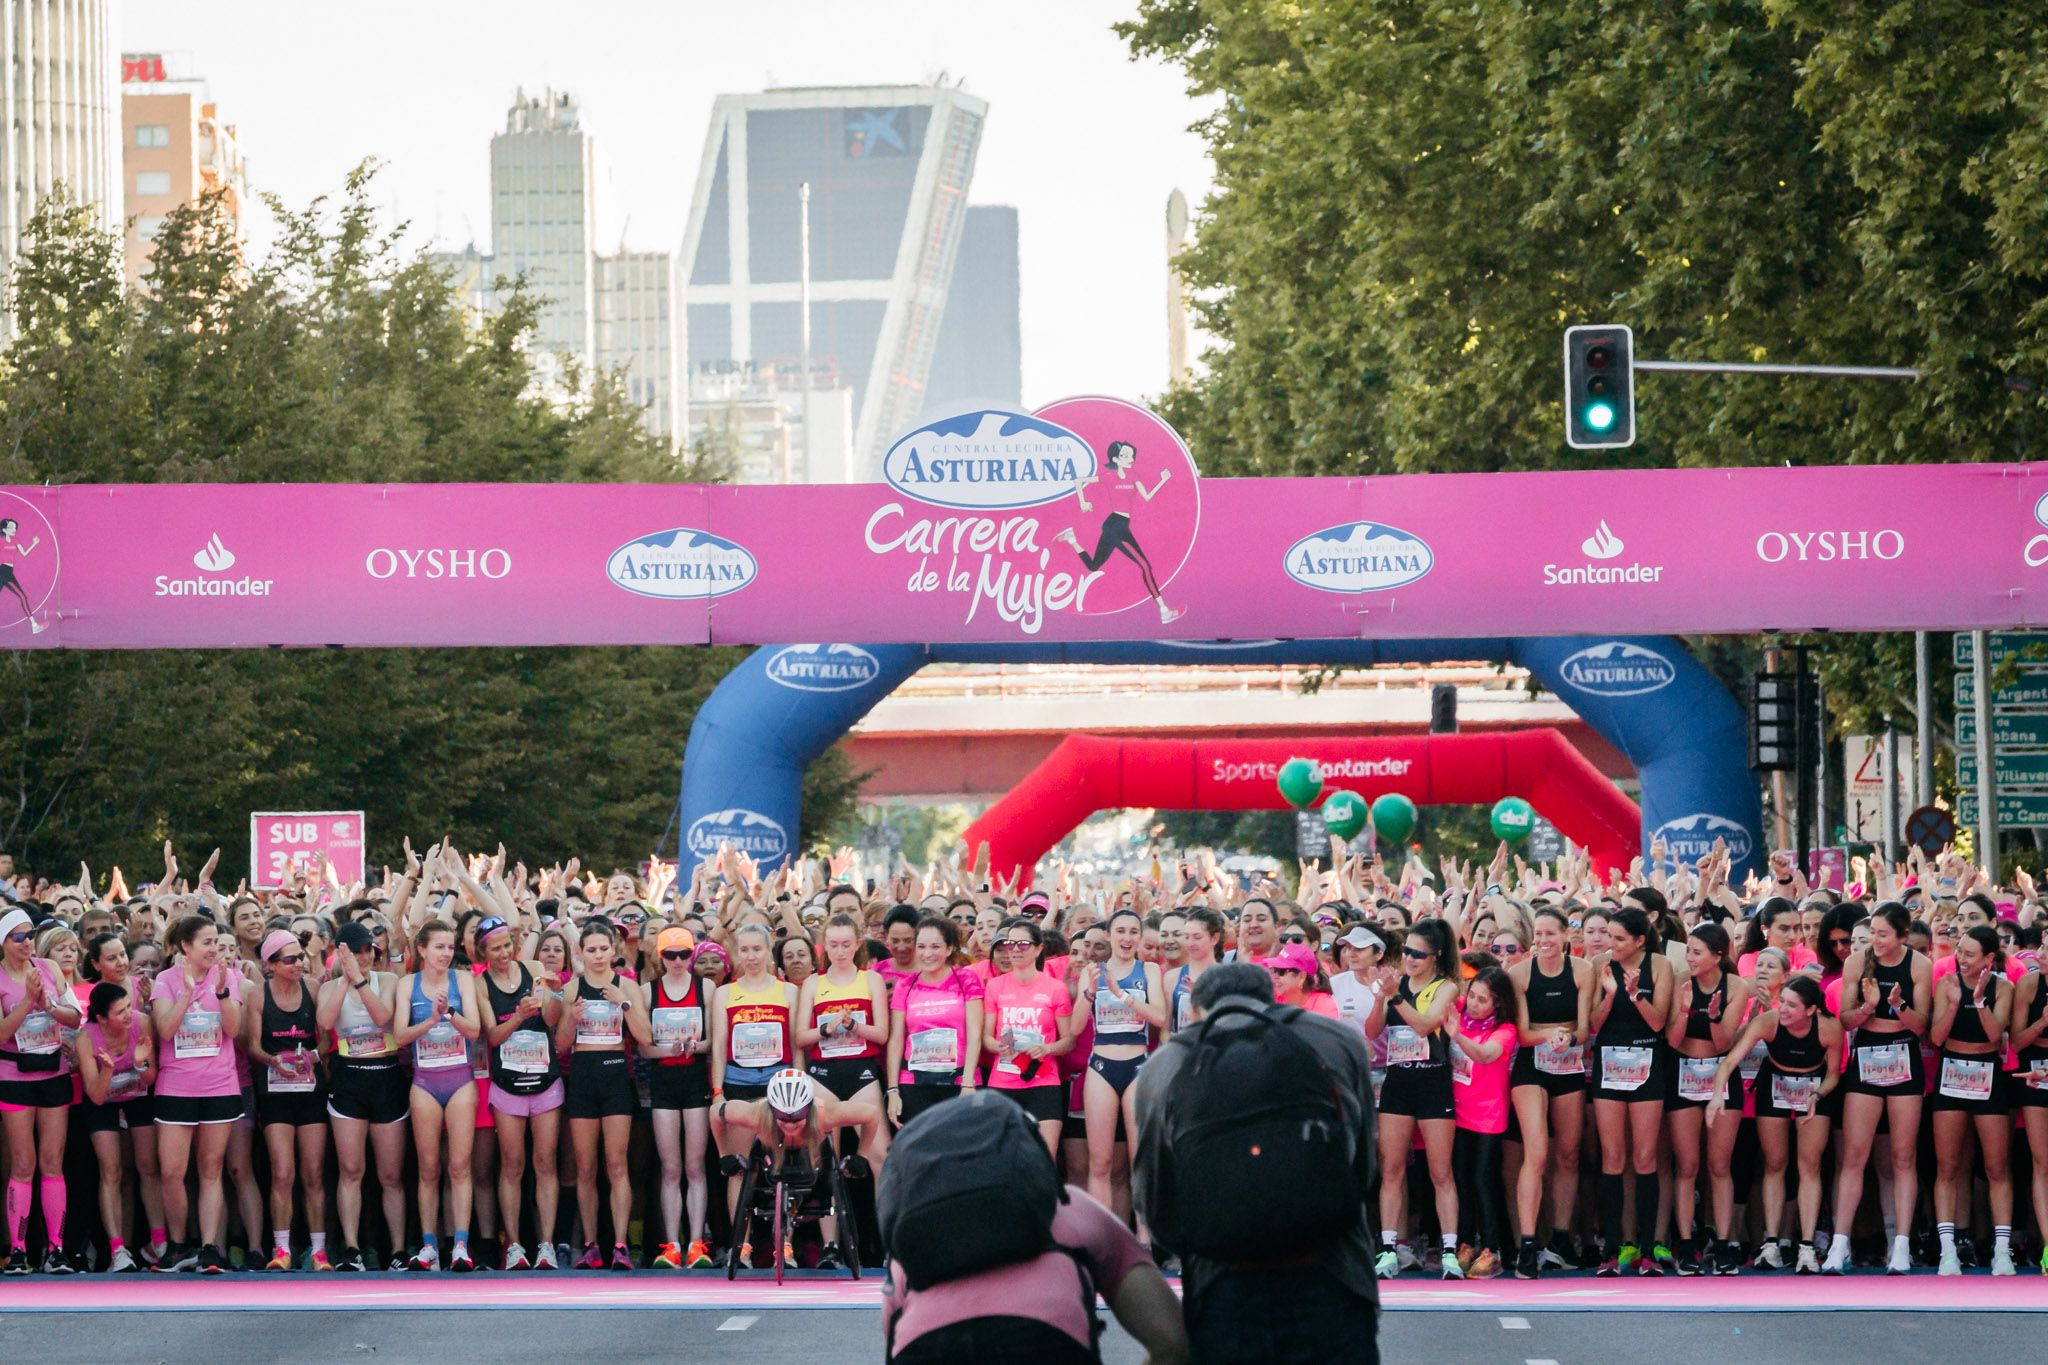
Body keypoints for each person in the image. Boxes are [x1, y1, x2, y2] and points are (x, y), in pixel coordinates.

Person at [1135, 963, 1377, 1364]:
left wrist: (1208, 1239)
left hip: (1223, 1280)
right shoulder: (1334, 1041)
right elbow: (1363, 1166)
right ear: (1271, 995)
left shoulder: (1168, 1064)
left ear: (1197, 1010)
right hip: (1332, 1269)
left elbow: (1155, 1195)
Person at [880, 1091, 1187, 1365]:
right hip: (1044, 1342)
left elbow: (891, 1338)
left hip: (924, 1348)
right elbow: (1173, 1342)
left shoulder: (917, 1231)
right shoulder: (1073, 1208)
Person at [1706, 975, 1841, 1273]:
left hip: (1813, 1087)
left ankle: (1805, 1245)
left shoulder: (1829, 1027)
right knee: (1775, 1162)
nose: (1784, 1010)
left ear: (1811, 1010)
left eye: (1792, 1006)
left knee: (1809, 1165)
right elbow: (1730, 1061)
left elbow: (1833, 1073)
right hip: (1775, 1084)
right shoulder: (1768, 1022)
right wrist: (1717, 1095)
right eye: (1783, 1003)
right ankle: (1771, 1242)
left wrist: (1818, 1094)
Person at [1827, 901, 1929, 1276]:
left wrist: (1899, 1007)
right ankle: (1839, 1244)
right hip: (1867, 1057)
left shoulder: (1918, 965)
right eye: (1873, 934)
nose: (1877, 941)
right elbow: (1845, 1018)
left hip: (1904, 1057)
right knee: (1854, 1156)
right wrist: (1869, 1008)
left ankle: (1900, 1244)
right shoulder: (1858, 962)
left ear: (1903, 936)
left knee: (1903, 1156)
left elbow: (1922, 1026)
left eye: (1885, 935)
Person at [149, 913, 247, 1275]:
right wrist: (188, 991)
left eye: (218, 943)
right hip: (177, 1086)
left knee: (211, 1167)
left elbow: (233, 1030)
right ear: (185, 946)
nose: (214, 949)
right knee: (172, 1171)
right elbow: (164, 1029)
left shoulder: (230, 978)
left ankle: (209, 1246)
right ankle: (177, 1246)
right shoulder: (165, 980)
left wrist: (221, 991)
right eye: (207, 942)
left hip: (219, 1084)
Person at [1364, 917, 1461, 1279]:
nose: (1409, 959)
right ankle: (1389, 1247)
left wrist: (1396, 996)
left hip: (1432, 1082)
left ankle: (1449, 1249)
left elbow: (1425, 1024)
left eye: (1418, 954)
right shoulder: (1395, 985)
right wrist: (1379, 999)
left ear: (1435, 956)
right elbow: (1373, 1031)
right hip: (1399, 1081)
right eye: (1406, 951)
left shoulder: (1445, 987)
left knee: (1440, 1171)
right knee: (1391, 1168)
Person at [556, 919, 651, 1272]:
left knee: (617, 1163)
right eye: (591, 950)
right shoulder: (572, 988)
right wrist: (572, 1017)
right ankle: (593, 1244)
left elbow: (645, 1037)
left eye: (603, 949)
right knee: (585, 1166)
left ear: (615, 951)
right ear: (580, 953)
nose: (598, 956)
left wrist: (624, 1004)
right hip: (583, 1075)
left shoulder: (627, 986)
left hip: (615, 1075)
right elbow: (562, 1045)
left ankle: (621, 1243)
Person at [1504, 906, 1592, 1277]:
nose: (1542, 941)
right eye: (1537, 935)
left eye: (1549, 934)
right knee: (1537, 1154)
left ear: (1565, 937)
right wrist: (1553, 1032)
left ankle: (1558, 1237)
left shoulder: (1583, 971)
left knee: (1569, 1155)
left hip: (1569, 1064)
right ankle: (1527, 1243)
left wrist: (1566, 1035)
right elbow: (1523, 1033)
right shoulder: (1519, 973)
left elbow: (1584, 1030)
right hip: (1531, 1067)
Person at [392, 919, 484, 1272]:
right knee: (428, 1168)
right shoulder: (407, 985)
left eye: (450, 947)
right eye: (439, 947)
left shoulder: (463, 980)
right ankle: (429, 1245)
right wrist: (431, 1021)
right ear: (422, 950)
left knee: (460, 1166)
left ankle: (460, 1243)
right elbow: (400, 1036)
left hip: (460, 1080)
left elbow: (474, 1031)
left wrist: (450, 1013)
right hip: (425, 1083)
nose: (446, 953)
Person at [317, 920, 407, 1273]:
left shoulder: (389, 981)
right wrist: (345, 979)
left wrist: (360, 979)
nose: (364, 957)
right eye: (355, 952)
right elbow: (325, 1022)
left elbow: (384, 1018)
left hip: (385, 1076)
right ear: (341, 954)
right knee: (351, 1169)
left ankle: (398, 1249)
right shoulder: (330, 987)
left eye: (368, 950)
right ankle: (351, 1247)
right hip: (348, 1078)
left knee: (390, 1175)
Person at [476, 913, 565, 1271]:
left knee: (545, 1163)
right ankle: (513, 1244)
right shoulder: (482, 984)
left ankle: (545, 1243)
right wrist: (516, 1016)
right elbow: (491, 1037)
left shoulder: (533, 969)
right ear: (484, 952)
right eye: (495, 949)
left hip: (544, 1081)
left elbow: (552, 1019)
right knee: (512, 1165)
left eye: (506, 946)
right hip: (508, 1085)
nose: (503, 954)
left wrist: (554, 992)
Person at [1587, 906, 1673, 1275]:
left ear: (1640, 940)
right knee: (1612, 1157)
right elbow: (1591, 1024)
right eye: (1608, 935)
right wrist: (1610, 995)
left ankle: (1648, 1248)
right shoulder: (1600, 965)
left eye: (1619, 938)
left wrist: (1636, 994)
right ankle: (1613, 1249)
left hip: (1647, 1062)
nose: (1611, 943)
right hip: (1609, 1062)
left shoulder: (1661, 966)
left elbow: (1658, 1023)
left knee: (1645, 1157)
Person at [1663, 922, 1749, 1276]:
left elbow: (1724, 1043)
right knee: (1687, 1165)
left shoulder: (1737, 987)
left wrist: (1713, 1015)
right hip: (1682, 1071)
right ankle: (1685, 1243)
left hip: (1720, 1075)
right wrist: (1685, 1009)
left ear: (1718, 955)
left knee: (1719, 1165)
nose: (1691, 958)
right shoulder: (1681, 981)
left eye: (1698, 952)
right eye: (1689, 951)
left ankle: (1725, 1242)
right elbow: (1672, 1040)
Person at [1928, 925, 2015, 1275]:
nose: (1960, 959)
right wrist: (1951, 1007)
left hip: (1988, 1073)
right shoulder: (1946, 983)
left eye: (1969, 954)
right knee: (1947, 1167)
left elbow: (1996, 1036)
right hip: (1951, 1072)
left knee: (1996, 1166)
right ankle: (1947, 1249)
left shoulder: (2003, 988)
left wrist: (1978, 1002)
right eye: (1958, 951)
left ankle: (2003, 1250)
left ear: (1989, 959)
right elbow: (1935, 1038)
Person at [1071, 908, 1167, 1216]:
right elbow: (1074, 1029)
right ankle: (1104, 1239)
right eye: (1121, 931)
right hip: (1101, 1065)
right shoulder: (1093, 971)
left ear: (1139, 937)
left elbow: (1160, 1017)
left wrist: (1122, 995)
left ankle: (1144, 1239)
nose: (1127, 938)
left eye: (1133, 932)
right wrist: (1090, 992)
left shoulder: (1148, 970)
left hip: (1138, 1064)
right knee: (1100, 1162)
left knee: (1139, 1159)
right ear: (1110, 935)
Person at [1, 906, 81, 1272]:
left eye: (30, 935)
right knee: (23, 1163)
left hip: (52, 1071)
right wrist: (27, 1003)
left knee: (52, 1162)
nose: (28, 942)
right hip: (14, 1076)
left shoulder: (47, 969)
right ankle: (18, 1249)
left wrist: (47, 1003)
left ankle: (56, 1248)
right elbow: (2, 1033)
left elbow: (74, 1017)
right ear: (4, 942)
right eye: (19, 937)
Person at [245, 929, 329, 1271]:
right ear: (271, 965)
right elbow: (252, 1045)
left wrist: (312, 1056)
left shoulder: (313, 988)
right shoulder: (258, 995)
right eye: (290, 959)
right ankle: (282, 1249)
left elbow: (325, 1042)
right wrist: (272, 1061)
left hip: (309, 1090)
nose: (299, 964)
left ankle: (319, 1250)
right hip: (275, 1091)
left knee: (313, 1173)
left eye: (301, 957)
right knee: (282, 1173)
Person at [641, 925, 713, 1270]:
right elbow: (643, 1047)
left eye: (684, 954)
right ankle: (672, 1243)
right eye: (671, 955)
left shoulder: (706, 987)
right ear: (660, 956)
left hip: (695, 1076)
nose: (678, 961)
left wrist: (694, 1046)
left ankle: (697, 1242)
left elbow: (715, 1040)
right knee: (671, 1167)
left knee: (695, 1165)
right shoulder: (647, 991)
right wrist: (668, 1048)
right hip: (665, 1080)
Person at [981, 918, 1077, 1155]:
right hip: (1002, 1081)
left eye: (1022, 944)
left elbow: (1069, 1040)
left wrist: (1046, 1049)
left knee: (1043, 1158)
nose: (1014, 950)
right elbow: (986, 1037)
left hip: (1043, 1082)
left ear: (1038, 948)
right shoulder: (995, 986)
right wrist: (998, 1046)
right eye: (1009, 944)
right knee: (1002, 1158)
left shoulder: (1055, 988)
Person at [1448, 966, 1516, 1279]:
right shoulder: (1459, 1013)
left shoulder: (1505, 1030)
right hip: (1457, 1113)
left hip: (1488, 1116)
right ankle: (1464, 1242)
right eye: (1472, 996)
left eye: (1482, 1000)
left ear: (1498, 1004)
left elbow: (1486, 1055)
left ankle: (1493, 1248)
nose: (1473, 1004)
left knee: (1483, 1181)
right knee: (1460, 1178)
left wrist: (1458, 1036)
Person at [884, 916, 983, 1129]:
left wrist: (968, 1082)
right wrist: (893, 1090)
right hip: (915, 1082)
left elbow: (975, 1034)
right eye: (921, 946)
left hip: (958, 1081)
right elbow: (896, 1040)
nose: (927, 954)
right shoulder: (905, 985)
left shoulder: (967, 980)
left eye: (935, 946)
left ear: (949, 949)